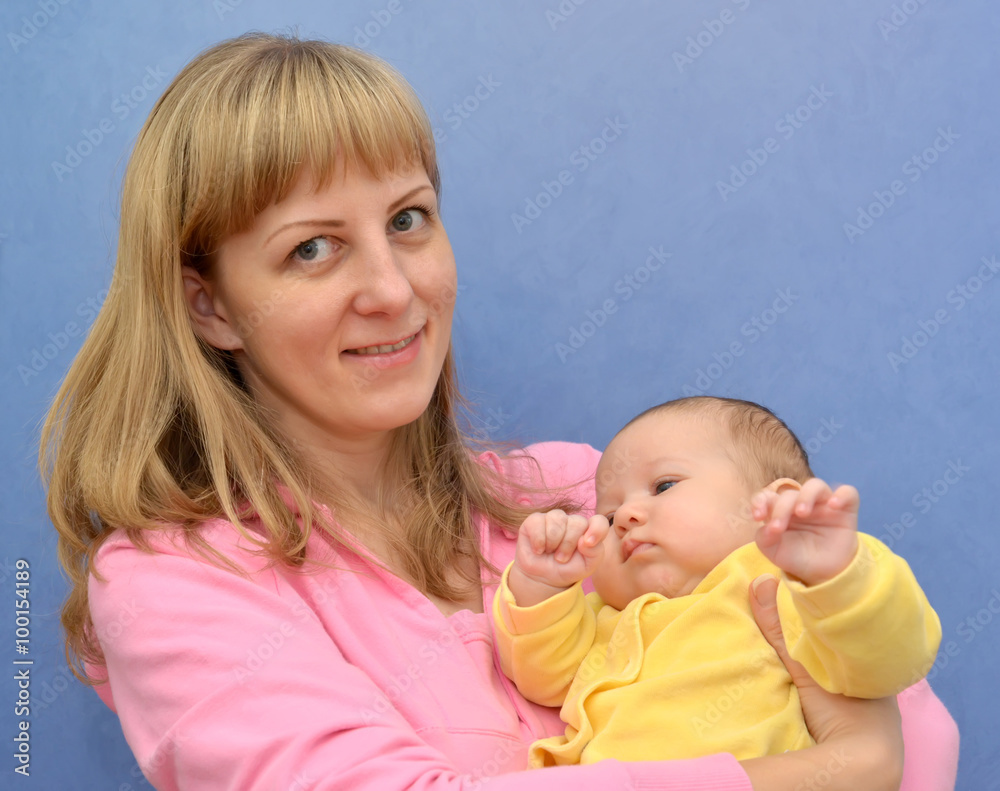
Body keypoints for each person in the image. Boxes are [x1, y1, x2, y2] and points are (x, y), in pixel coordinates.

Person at [38, 32, 959, 790]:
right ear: (209, 306)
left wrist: (874, 742)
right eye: (313, 248)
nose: (393, 290)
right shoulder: (172, 584)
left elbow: (916, 732)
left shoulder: (587, 490)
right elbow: (874, 754)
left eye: (407, 219)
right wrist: (842, 763)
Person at [493, 396, 943, 767]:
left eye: (663, 486)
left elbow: (887, 664)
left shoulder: (777, 587)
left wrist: (836, 577)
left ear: (772, 505)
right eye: (607, 517)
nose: (625, 516)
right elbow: (543, 680)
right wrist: (543, 586)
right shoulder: (605, 619)